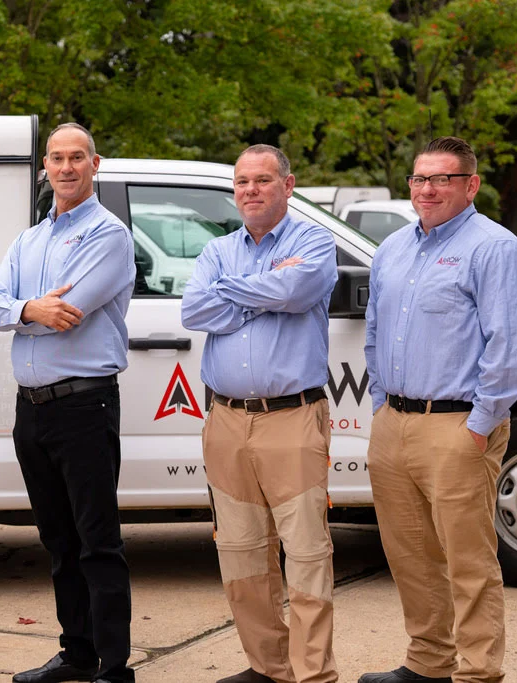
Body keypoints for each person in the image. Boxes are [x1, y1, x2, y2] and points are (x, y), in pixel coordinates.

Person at [359, 137, 517, 683]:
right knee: (411, 556)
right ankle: (427, 662)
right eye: (419, 179)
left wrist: (480, 424)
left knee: (468, 561)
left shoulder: (495, 248)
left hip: (459, 426)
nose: (428, 189)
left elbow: (511, 346)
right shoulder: (392, 248)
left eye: (443, 179)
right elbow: (373, 333)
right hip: (396, 425)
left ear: (471, 185)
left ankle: (479, 672)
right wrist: (381, 407)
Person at [0, 122, 136, 683]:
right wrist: (28, 310)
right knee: (59, 542)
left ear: (96, 165)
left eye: (77, 158)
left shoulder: (109, 236)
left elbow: (70, 314)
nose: (66, 167)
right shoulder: (29, 240)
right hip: (33, 411)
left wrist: (24, 313)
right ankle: (77, 654)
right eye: (57, 158)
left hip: (84, 407)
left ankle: (114, 667)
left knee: (98, 542)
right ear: (44, 167)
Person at [181, 144, 339, 683]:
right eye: (243, 181)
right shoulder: (217, 249)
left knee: (306, 553)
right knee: (241, 551)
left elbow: (299, 290)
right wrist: (266, 285)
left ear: (288, 186)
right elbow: (194, 308)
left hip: (291, 418)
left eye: (263, 180)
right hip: (225, 420)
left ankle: (312, 673)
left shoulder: (314, 241)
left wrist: (236, 291)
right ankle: (269, 668)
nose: (250, 190)